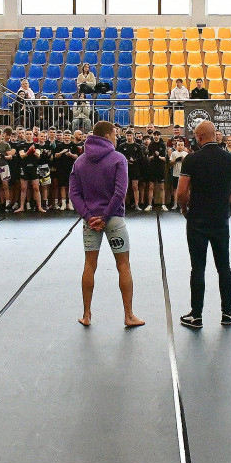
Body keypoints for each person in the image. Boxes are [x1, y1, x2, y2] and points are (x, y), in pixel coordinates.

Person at [69, 120, 144, 329]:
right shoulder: (118, 158)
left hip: (90, 221)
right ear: (108, 135)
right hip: (114, 219)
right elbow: (120, 192)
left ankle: (86, 314)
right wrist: (106, 216)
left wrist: (88, 215)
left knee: (89, 265)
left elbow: (73, 193)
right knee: (123, 265)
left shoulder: (80, 162)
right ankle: (129, 315)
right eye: (115, 133)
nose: (117, 136)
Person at [176, 120, 231, 329]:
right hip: (221, 219)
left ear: (199, 137)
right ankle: (228, 312)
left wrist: (184, 209)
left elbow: (181, 192)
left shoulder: (191, 160)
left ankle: (196, 315)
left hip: (197, 220)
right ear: (216, 135)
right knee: (224, 266)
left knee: (198, 268)